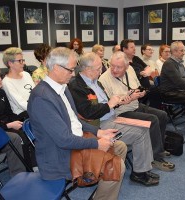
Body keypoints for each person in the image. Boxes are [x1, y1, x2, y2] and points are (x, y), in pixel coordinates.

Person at [27, 47, 126, 200]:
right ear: (56, 68)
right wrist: (96, 144)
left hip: (74, 143)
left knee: (120, 146)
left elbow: (75, 120)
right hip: (59, 156)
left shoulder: (62, 88)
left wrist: (98, 132)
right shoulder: (42, 98)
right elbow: (63, 140)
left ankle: (100, 183)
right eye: (70, 70)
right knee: (116, 166)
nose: (73, 74)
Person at [69, 52, 160, 186]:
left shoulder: (96, 82)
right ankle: (140, 173)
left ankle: (143, 169)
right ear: (87, 69)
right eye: (98, 68)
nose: (102, 70)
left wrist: (119, 101)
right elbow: (88, 113)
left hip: (113, 117)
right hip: (100, 125)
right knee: (140, 133)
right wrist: (110, 104)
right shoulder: (77, 87)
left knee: (145, 126)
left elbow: (107, 103)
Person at [99, 51, 175, 172]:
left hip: (135, 105)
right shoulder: (103, 79)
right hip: (120, 112)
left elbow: (138, 86)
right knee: (153, 120)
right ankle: (156, 157)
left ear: (127, 66)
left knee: (162, 115)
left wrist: (141, 92)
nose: (114, 69)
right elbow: (108, 107)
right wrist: (123, 100)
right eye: (112, 66)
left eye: (118, 67)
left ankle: (157, 148)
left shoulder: (130, 71)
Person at [121, 39, 161, 108]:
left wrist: (145, 73)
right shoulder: (122, 62)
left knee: (158, 89)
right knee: (155, 90)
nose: (134, 49)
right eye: (132, 47)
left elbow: (148, 68)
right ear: (124, 49)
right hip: (135, 88)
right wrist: (141, 74)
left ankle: (154, 110)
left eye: (134, 47)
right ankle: (152, 110)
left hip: (145, 86)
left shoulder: (135, 58)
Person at [2, 47, 35, 115]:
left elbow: (36, 94)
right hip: (23, 115)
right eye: (20, 61)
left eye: (23, 60)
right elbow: (21, 104)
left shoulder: (26, 74)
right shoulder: (7, 82)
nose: (23, 63)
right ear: (10, 63)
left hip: (35, 109)